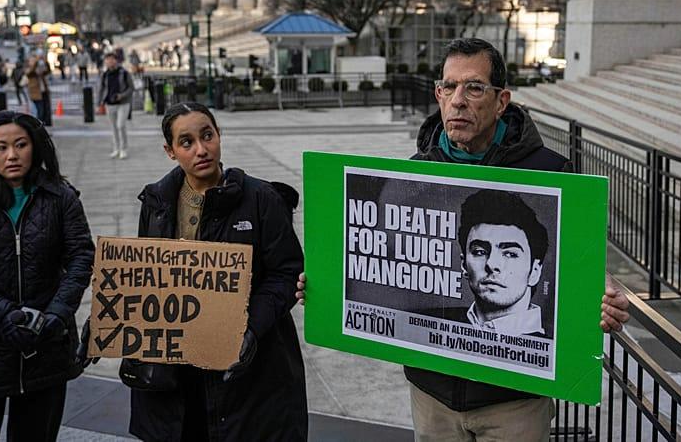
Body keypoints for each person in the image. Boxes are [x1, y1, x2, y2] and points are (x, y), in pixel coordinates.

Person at [297, 38, 630, 442]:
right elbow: (378, 259)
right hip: (432, 394)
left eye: (473, 87)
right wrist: (325, 284)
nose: (458, 100)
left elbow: (581, 263)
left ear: (501, 101)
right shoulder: (413, 175)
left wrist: (603, 292)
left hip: (514, 401)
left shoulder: (551, 172)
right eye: (448, 87)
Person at [126, 102, 307, 441]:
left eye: (207, 136)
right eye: (187, 142)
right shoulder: (157, 203)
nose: (201, 149)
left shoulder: (261, 198)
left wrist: (250, 329)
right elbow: (144, 275)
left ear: (219, 135)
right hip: (180, 376)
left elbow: (286, 273)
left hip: (246, 373)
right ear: (170, 151)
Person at [0, 111, 94, 441]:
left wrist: (58, 313)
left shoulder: (61, 196)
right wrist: (3, 314)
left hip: (47, 343)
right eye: (1, 147)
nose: (12, 155)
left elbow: (81, 257)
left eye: (21, 145)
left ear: (35, 147)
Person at [457, 189, 550, 336]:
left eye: (510, 254)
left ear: (534, 272)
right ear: (464, 265)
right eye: (479, 252)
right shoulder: (436, 321)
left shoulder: (558, 339)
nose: (492, 264)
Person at [98, 52, 134, 159]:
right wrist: (99, 103)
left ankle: (123, 149)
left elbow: (131, 88)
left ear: (116, 60)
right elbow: (101, 89)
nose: (110, 61)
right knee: (113, 127)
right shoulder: (104, 74)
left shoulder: (124, 73)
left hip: (123, 103)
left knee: (120, 125)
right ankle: (116, 149)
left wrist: (122, 95)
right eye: (108, 59)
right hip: (110, 104)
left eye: (112, 59)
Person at [24, 57, 49, 123]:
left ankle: (40, 122)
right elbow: (30, 72)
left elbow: (47, 71)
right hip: (35, 94)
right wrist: (36, 62)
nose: (33, 62)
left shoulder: (39, 70)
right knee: (39, 110)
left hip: (43, 93)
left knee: (43, 110)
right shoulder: (29, 70)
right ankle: (37, 123)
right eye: (32, 61)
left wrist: (46, 61)